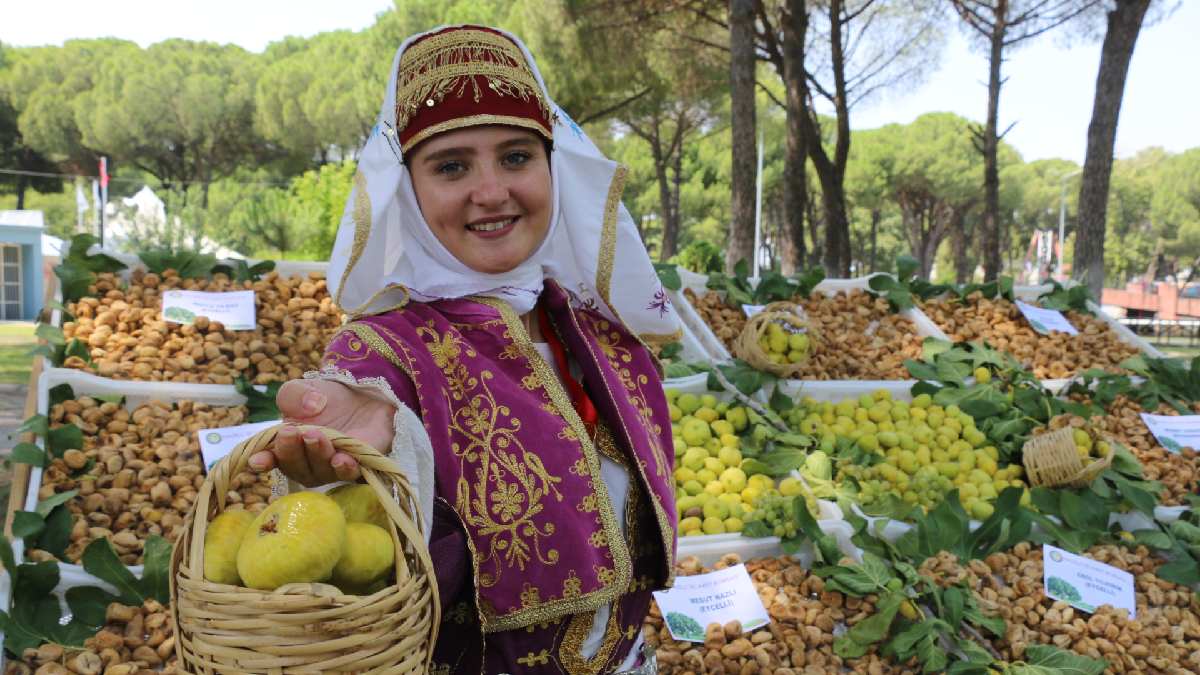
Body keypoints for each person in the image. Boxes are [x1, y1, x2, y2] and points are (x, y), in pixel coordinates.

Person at [248, 24, 682, 674]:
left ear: (553, 165)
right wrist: (365, 459)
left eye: (516, 156)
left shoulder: (597, 333)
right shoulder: (382, 354)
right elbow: (362, 501)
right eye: (452, 165)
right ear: (408, 189)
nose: (491, 190)